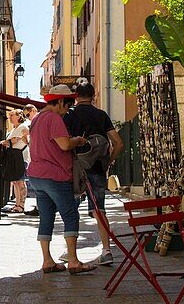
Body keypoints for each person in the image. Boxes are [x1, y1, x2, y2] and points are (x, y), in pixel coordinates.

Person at [26, 84, 95, 274]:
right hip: (55, 175)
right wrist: (78, 141)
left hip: (37, 175)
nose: (67, 111)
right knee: (70, 214)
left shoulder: (37, 118)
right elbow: (64, 145)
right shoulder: (54, 118)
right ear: (61, 102)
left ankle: (47, 260)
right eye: (67, 105)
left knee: (46, 217)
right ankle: (73, 261)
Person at [65, 80, 123, 265]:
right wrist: (108, 161)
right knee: (99, 209)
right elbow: (119, 143)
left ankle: (71, 253)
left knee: (71, 209)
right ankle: (106, 250)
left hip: (75, 167)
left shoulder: (70, 115)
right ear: (93, 96)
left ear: (76, 97)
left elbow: (65, 142)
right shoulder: (101, 115)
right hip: (97, 167)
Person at [0, 110, 27, 211]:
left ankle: (21, 205)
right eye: (9, 115)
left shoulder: (22, 127)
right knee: (15, 181)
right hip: (13, 156)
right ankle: (17, 204)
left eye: (12, 115)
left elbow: (17, 140)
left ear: (19, 116)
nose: (10, 117)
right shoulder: (13, 129)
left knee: (20, 181)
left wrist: (6, 142)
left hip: (20, 156)